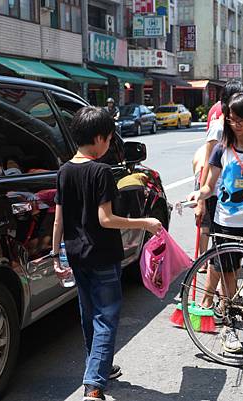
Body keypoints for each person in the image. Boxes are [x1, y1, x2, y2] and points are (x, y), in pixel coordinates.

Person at [52, 106, 162, 401]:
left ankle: (99, 368)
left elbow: (58, 219)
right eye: (109, 139)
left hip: (76, 255)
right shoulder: (100, 171)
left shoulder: (64, 170)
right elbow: (106, 219)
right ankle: (94, 385)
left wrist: (55, 256)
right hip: (102, 254)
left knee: (89, 315)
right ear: (100, 138)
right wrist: (146, 223)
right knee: (107, 317)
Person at [188, 92, 243, 354]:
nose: (235, 124)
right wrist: (199, 195)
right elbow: (209, 185)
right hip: (226, 224)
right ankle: (229, 327)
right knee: (228, 278)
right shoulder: (220, 150)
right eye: (231, 119)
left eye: (241, 120)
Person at [196, 80, 243, 233]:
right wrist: (201, 201)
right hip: (218, 194)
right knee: (223, 243)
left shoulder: (240, 126)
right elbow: (207, 163)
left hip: (240, 191)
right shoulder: (218, 128)